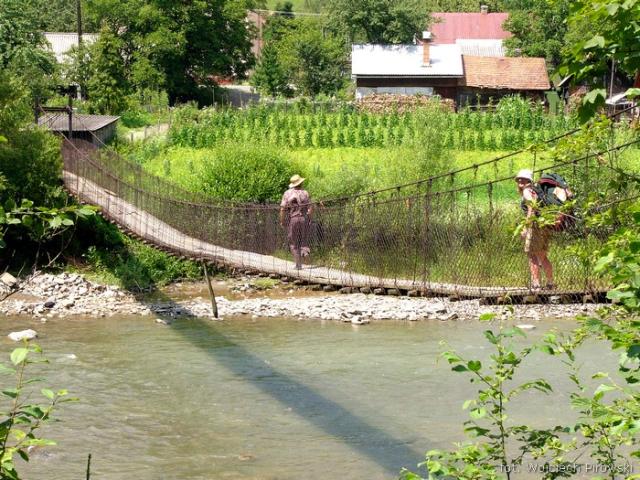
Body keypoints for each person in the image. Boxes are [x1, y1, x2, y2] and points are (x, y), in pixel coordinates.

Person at [515, 169, 554, 290]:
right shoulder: (535, 191)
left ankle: (536, 284)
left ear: (528, 181)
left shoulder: (527, 191)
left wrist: (526, 227)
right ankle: (550, 283)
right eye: (518, 179)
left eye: (523, 179)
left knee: (532, 255)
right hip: (545, 224)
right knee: (542, 255)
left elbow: (532, 208)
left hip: (535, 226)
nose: (520, 181)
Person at [280, 174, 313, 270]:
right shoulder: (306, 193)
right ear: (301, 183)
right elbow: (310, 208)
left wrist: (282, 221)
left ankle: (298, 265)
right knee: (303, 240)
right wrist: (310, 218)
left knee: (293, 242)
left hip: (293, 219)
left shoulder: (287, 193)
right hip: (304, 218)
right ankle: (305, 253)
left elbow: (282, 209)